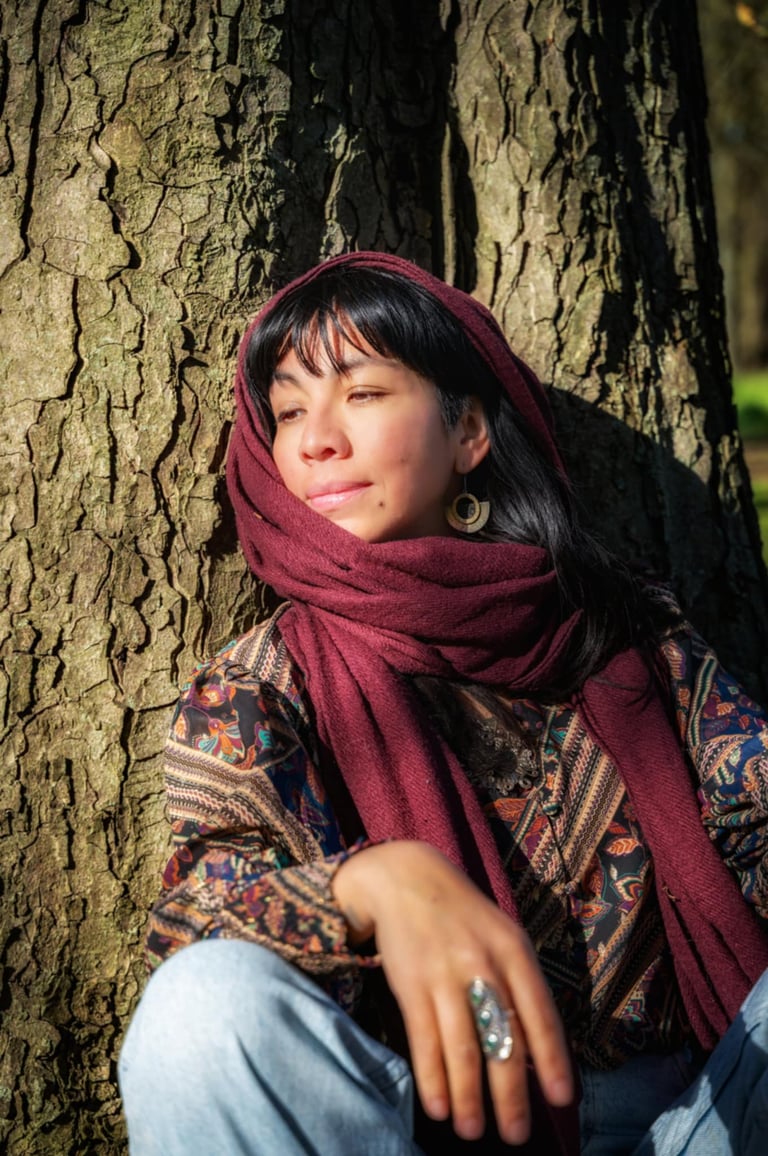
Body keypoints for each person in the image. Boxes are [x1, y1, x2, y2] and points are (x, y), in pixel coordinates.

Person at [118, 251, 768, 1155]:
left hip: (709, 1112)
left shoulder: (625, 632)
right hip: (417, 1127)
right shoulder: (260, 687)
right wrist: (365, 887)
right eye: (290, 410)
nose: (316, 440)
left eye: (363, 393)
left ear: (467, 431)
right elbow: (193, 921)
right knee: (198, 1011)